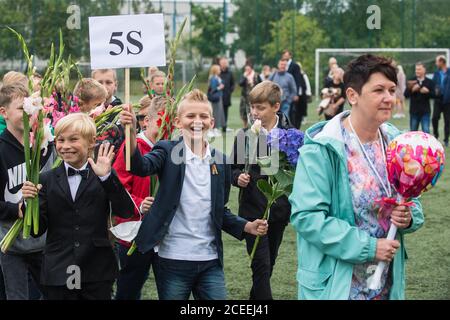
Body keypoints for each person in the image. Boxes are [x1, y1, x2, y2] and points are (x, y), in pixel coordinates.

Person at [289, 54, 424, 300]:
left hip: (384, 284)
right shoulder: (322, 148)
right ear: (353, 96)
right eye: (379, 90)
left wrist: (408, 215)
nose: (388, 98)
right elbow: (307, 217)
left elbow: (413, 202)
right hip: (337, 287)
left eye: (392, 90)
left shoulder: (396, 142)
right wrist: (370, 248)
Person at [119, 89, 268, 300]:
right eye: (191, 116)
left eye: (203, 116)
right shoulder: (166, 150)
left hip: (210, 260)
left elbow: (220, 211)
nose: (197, 121)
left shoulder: (221, 161)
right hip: (172, 259)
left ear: (212, 122)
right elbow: (139, 166)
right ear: (178, 122)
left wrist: (247, 226)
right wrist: (130, 133)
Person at [21, 113, 134, 300]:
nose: (65, 146)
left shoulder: (103, 175)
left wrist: (106, 178)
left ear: (91, 142)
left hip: (96, 270)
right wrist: (28, 202)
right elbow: (36, 230)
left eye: (73, 139)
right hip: (58, 270)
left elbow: (126, 211)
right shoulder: (45, 179)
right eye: (60, 140)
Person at [231, 81, 292, 300]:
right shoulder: (244, 135)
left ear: (276, 107)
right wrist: (238, 177)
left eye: (260, 108)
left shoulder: (291, 136)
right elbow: (232, 169)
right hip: (251, 212)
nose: (255, 113)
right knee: (261, 265)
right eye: (252, 107)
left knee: (269, 264)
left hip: (278, 211)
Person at [0, 84, 56, 300]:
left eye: (32, 108)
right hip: (10, 246)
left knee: (57, 292)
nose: (29, 113)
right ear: (3, 113)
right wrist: (17, 210)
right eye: (22, 109)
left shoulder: (43, 144)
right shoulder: (2, 149)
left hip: (43, 242)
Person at [112, 96, 170, 300]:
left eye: (171, 123)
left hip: (166, 236)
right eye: (161, 122)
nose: (166, 128)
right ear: (146, 121)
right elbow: (117, 187)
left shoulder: (175, 150)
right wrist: (139, 203)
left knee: (171, 289)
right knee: (129, 288)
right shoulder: (133, 147)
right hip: (135, 233)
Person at [404, 62, 435, 133]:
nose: (417, 71)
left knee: (426, 132)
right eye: (416, 69)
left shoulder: (429, 82)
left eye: (419, 69)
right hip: (414, 111)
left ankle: (427, 144)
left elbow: (435, 95)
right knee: (413, 133)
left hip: (425, 112)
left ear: (424, 70)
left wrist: (427, 92)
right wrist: (412, 90)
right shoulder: (411, 81)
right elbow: (405, 95)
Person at [281, 50, 307, 129]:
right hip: (286, 94)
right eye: (283, 55)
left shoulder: (295, 66)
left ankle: (294, 129)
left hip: (293, 94)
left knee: (294, 114)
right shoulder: (282, 66)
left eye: (286, 55)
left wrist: (296, 94)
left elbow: (298, 80)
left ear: (290, 56)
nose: (285, 56)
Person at [432, 55, 450, 147]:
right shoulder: (436, 73)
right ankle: (436, 136)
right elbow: (433, 83)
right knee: (434, 118)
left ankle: (446, 139)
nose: (436, 63)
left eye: (437, 61)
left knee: (448, 121)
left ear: (442, 62)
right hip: (438, 100)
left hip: (448, 101)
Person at [239, 62, 261, 128]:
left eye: (248, 69)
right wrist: (244, 77)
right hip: (244, 97)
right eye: (246, 69)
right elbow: (240, 84)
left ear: (251, 69)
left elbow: (261, 84)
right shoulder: (244, 76)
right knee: (243, 113)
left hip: (254, 98)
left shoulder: (256, 75)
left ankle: (255, 127)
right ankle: (245, 127)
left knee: (253, 113)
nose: (247, 71)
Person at [207, 65, 226, 136]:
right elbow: (213, 89)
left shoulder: (217, 78)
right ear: (215, 70)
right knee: (215, 113)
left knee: (218, 114)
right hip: (215, 98)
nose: (220, 70)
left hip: (219, 98)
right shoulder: (213, 78)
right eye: (218, 69)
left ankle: (215, 129)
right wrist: (219, 87)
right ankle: (211, 130)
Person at [219, 57, 235, 132]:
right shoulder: (217, 72)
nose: (224, 64)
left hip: (226, 96)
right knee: (217, 111)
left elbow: (233, 84)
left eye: (225, 63)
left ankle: (224, 127)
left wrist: (230, 91)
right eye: (222, 63)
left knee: (225, 111)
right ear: (220, 63)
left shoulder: (230, 73)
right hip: (218, 96)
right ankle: (215, 128)